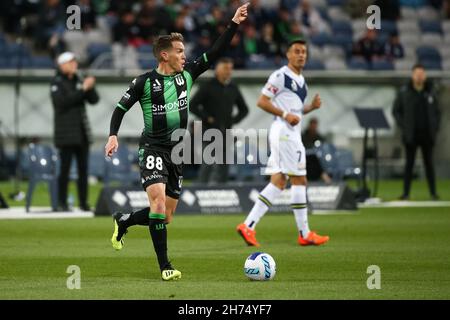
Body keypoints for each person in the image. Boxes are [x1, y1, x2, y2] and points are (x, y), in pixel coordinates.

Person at [104, 3, 249, 281]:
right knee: (158, 204)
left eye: (184, 51)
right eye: (180, 51)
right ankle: (165, 267)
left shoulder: (188, 75)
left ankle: (125, 220)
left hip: (177, 152)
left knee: (166, 216)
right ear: (164, 55)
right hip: (153, 148)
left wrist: (234, 23)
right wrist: (113, 135)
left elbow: (216, 51)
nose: (185, 56)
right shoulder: (143, 83)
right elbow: (120, 109)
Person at [236, 39, 330, 247]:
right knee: (300, 180)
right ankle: (304, 233)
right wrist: (285, 114)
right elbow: (262, 101)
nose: (301, 55)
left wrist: (310, 108)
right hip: (285, 132)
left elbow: (295, 111)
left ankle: (248, 226)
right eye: (297, 51)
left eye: (304, 52)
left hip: (288, 132)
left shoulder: (301, 80)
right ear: (288, 54)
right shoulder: (280, 76)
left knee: (279, 181)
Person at [51, 52, 99, 212]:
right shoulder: (57, 82)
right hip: (66, 134)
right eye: (70, 62)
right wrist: (82, 89)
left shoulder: (78, 80)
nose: (74, 65)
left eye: (74, 62)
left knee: (83, 170)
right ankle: (62, 202)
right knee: (64, 170)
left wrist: (89, 87)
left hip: (81, 133)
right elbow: (62, 103)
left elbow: (94, 100)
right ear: (62, 65)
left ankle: (83, 202)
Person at [190, 57, 249, 184]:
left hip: (226, 132)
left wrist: (233, 120)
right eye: (225, 68)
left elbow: (244, 109)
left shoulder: (233, 87)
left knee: (224, 166)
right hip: (209, 132)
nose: (228, 71)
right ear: (217, 69)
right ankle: (201, 190)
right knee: (208, 164)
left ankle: (222, 191)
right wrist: (207, 118)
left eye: (230, 69)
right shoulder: (208, 86)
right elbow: (192, 105)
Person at [392, 63, 441, 200]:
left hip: (427, 134)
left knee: (429, 164)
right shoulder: (404, 92)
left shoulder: (431, 92)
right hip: (411, 135)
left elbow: (437, 112)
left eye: (421, 73)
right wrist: (404, 126)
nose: (419, 76)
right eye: (417, 74)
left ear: (424, 75)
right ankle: (406, 193)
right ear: (412, 75)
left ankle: (433, 193)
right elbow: (396, 111)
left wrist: (435, 127)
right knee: (409, 164)